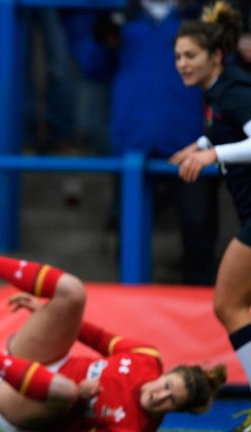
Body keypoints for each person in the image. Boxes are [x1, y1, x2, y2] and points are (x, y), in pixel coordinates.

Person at [0, 204, 227, 431]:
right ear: (167, 374)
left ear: (173, 411)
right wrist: (46, 313)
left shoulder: (132, 427)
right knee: (73, 292)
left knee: (65, 389)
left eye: (170, 401)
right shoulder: (146, 357)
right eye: (167, 387)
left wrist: (79, 400)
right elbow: (95, 337)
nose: (159, 396)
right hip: (40, 361)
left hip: (26, 409)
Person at [86, 0, 219, 285]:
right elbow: (93, 67)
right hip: (133, 140)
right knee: (127, 232)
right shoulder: (120, 17)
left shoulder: (200, 18)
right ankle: (126, 311)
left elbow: (223, 73)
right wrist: (100, 36)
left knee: (198, 230)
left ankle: (202, 313)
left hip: (189, 140)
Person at [168, 0, 251, 397]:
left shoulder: (234, 89)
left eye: (191, 56)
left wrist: (211, 155)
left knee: (228, 304)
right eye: (178, 56)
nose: (182, 64)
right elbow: (225, 128)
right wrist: (198, 144)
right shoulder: (219, 91)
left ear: (216, 56)